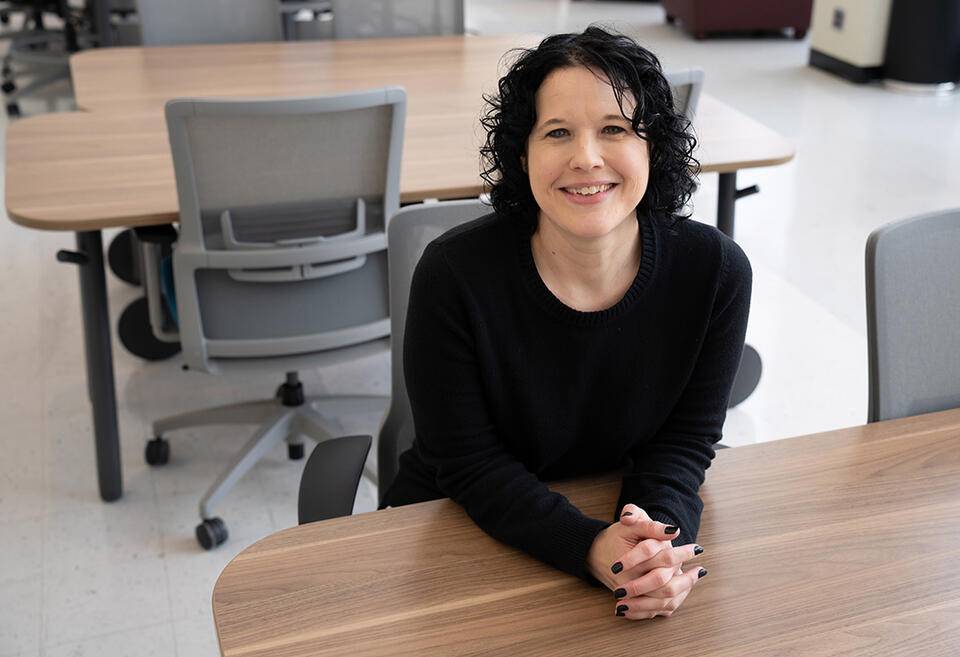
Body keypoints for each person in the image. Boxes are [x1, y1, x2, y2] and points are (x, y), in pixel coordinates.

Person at [381, 26, 751, 621]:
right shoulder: (454, 273)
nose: (587, 157)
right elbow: (469, 462)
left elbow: (684, 443)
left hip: (613, 519)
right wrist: (587, 548)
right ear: (521, 154)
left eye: (615, 129)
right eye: (557, 132)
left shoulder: (715, 271)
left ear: (652, 148)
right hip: (463, 530)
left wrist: (651, 543)